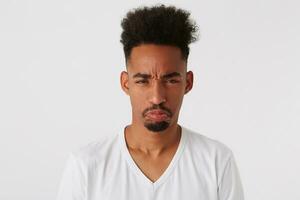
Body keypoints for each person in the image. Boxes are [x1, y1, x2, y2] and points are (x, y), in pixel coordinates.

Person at [56, 4, 244, 200]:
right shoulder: (86, 166)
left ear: (187, 83)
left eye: (171, 80)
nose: (157, 97)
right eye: (143, 81)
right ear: (126, 83)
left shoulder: (217, 162)